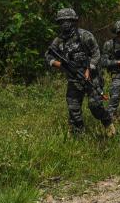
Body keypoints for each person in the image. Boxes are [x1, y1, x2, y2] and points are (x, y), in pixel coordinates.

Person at [45, 8, 116, 136]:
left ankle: (108, 123)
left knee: (95, 106)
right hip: (73, 78)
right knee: (73, 108)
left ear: (74, 21)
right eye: (62, 21)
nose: (65, 24)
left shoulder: (85, 35)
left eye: (68, 21)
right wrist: (60, 64)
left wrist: (90, 69)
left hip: (91, 77)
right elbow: (48, 56)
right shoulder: (59, 40)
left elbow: (96, 53)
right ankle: (79, 135)